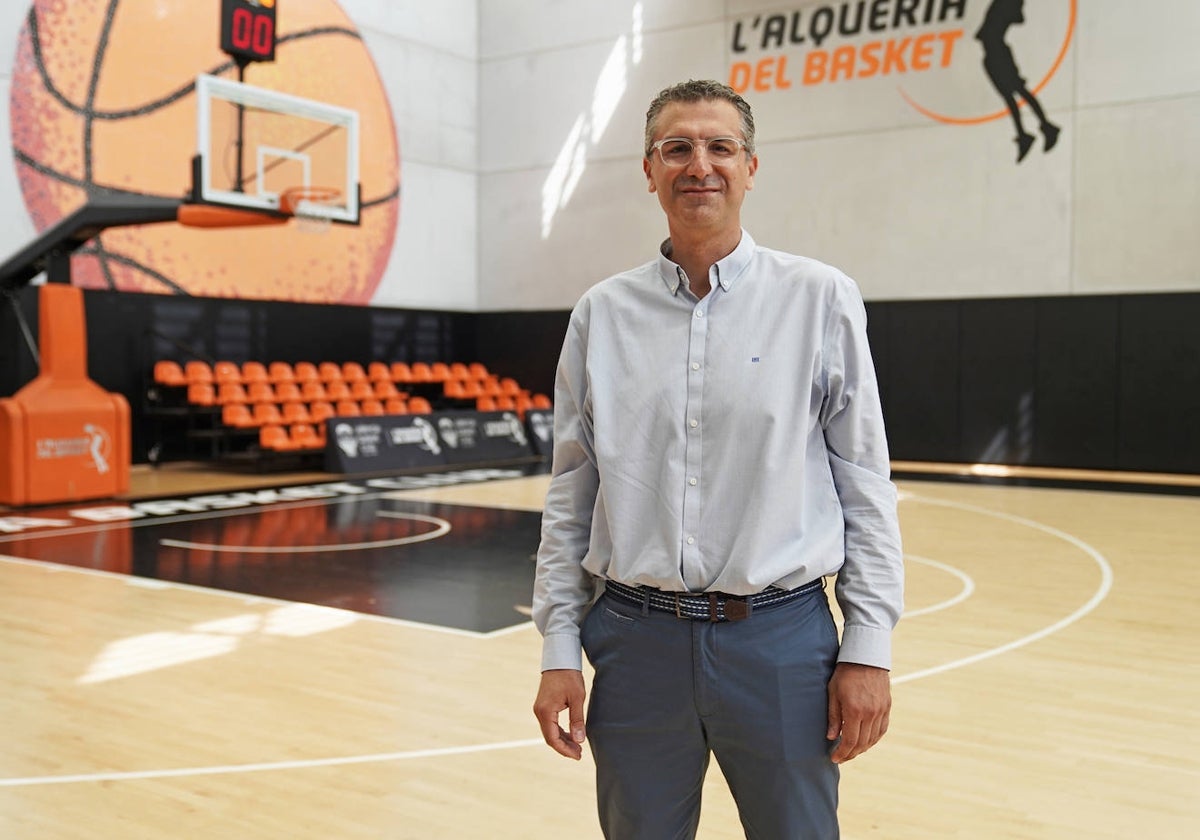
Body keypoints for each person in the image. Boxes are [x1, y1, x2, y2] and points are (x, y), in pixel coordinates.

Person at [532, 79, 904, 839]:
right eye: (677, 148)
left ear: (750, 166)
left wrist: (869, 648)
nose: (698, 164)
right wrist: (557, 644)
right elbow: (572, 493)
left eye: (719, 147)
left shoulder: (821, 299)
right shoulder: (601, 315)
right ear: (650, 169)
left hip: (781, 641)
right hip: (636, 643)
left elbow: (865, 484)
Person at [976, 0, 1060, 162]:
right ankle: (1025, 134)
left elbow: (1019, 18)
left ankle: (1045, 127)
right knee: (1010, 96)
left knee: (1019, 90)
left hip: (997, 51)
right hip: (991, 53)